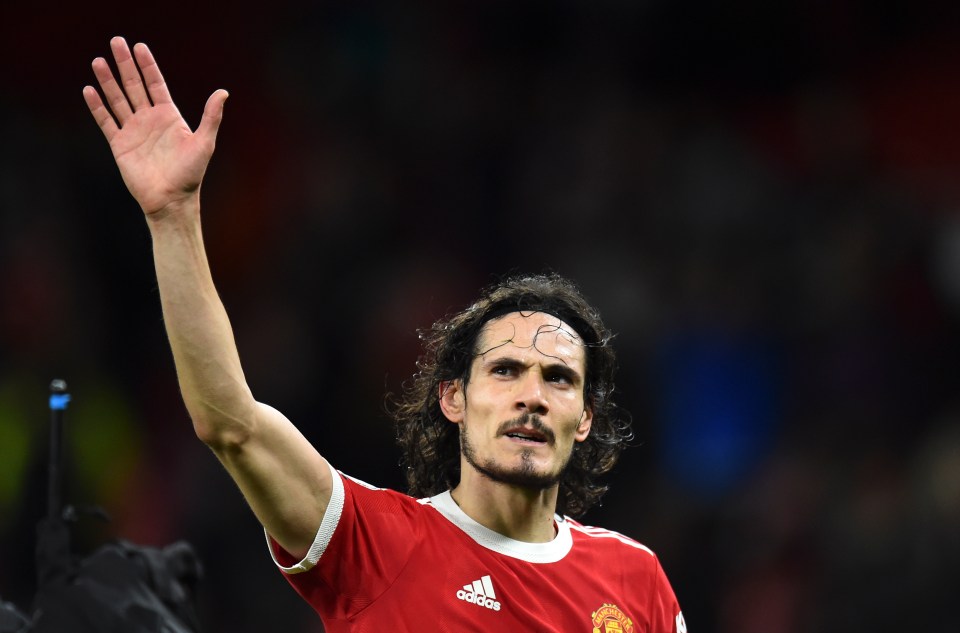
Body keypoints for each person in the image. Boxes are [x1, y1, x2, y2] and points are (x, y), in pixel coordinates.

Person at [83, 36, 687, 632]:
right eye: (505, 371)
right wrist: (173, 218)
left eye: (559, 378)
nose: (532, 394)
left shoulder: (635, 582)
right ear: (453, 397)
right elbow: (232, 424)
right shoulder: (374, 543)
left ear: (583, 417)